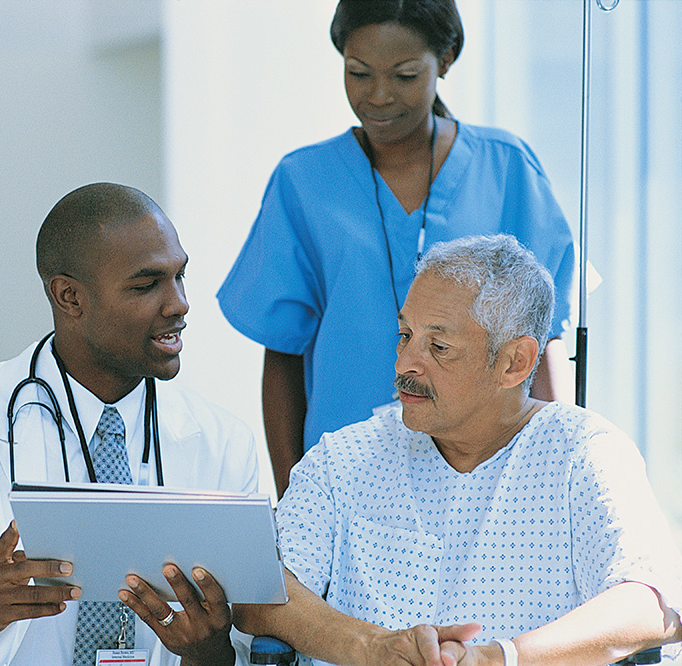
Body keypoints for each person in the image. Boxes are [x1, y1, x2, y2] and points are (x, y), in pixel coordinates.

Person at [0, 183, 259, 666]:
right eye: (147, 285)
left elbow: (253, 648)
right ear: (69, 297)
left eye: (180, 277)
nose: (179, 304)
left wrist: (210, 652)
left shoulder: (224, 444)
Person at [234, 235, 682, 666]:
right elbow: (260, 592)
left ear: (514, 363)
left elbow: (651, 604)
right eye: (404, 335)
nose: (405, 363)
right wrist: (372, 648)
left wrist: (498, 658)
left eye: (439, 346)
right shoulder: (345, 458)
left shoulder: (584, 454)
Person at [217, 0, 576, 495]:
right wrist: (293, 494)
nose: (379, 96)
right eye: (359, 73)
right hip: (345, 476)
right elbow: (282, 352)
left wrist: (555, 470)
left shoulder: (506, 168)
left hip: (491, 474)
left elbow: (543, 342)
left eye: (405, 75)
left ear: (445, 60)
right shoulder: (304, 181)